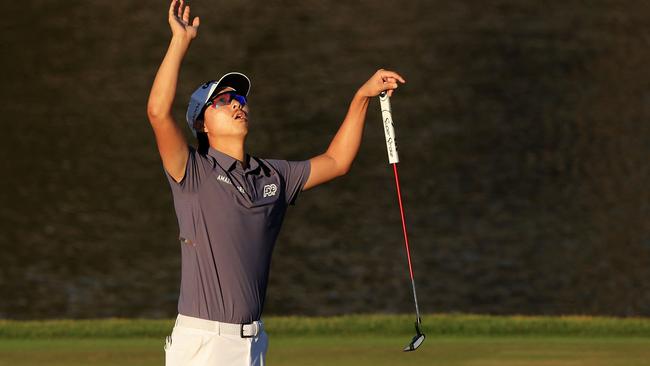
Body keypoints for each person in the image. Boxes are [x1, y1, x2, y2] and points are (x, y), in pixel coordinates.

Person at [146, 1, 405, 365]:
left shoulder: (274, 176)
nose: (237, 104)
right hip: (203, 345)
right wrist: (180, 41)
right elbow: (158, 112)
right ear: (201, 124)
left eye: (239, 98)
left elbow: (336, 161)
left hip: (253, 343)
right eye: (221, 101)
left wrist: (360, 97)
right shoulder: (191, 170)